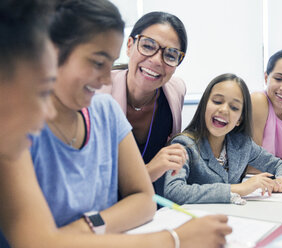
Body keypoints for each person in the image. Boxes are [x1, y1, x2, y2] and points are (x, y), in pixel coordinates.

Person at [0, 1, 231, 247]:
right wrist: (174, 239)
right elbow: (39, 242)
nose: (104, 78)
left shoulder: (106, 109)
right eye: (97, 62)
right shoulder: (15, 127)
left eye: (110, 63)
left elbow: (144, 199)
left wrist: (82, 229)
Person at [163, 73, 282, 205]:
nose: (224, 110)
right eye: (217, 101)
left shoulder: (242, 144)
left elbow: (279, 165)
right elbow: (174, 191)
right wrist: (238, 189)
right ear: (204, 105)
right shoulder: (183, 145)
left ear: (239, 119)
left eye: (234, 107)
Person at [99, 11, 188, 196]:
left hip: (153, 206)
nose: (156, 60)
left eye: (171, 55)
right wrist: (149, 171)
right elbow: (91, 182)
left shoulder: (175, 90)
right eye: (148, 46)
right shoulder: (97, 95)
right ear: (130, 45)